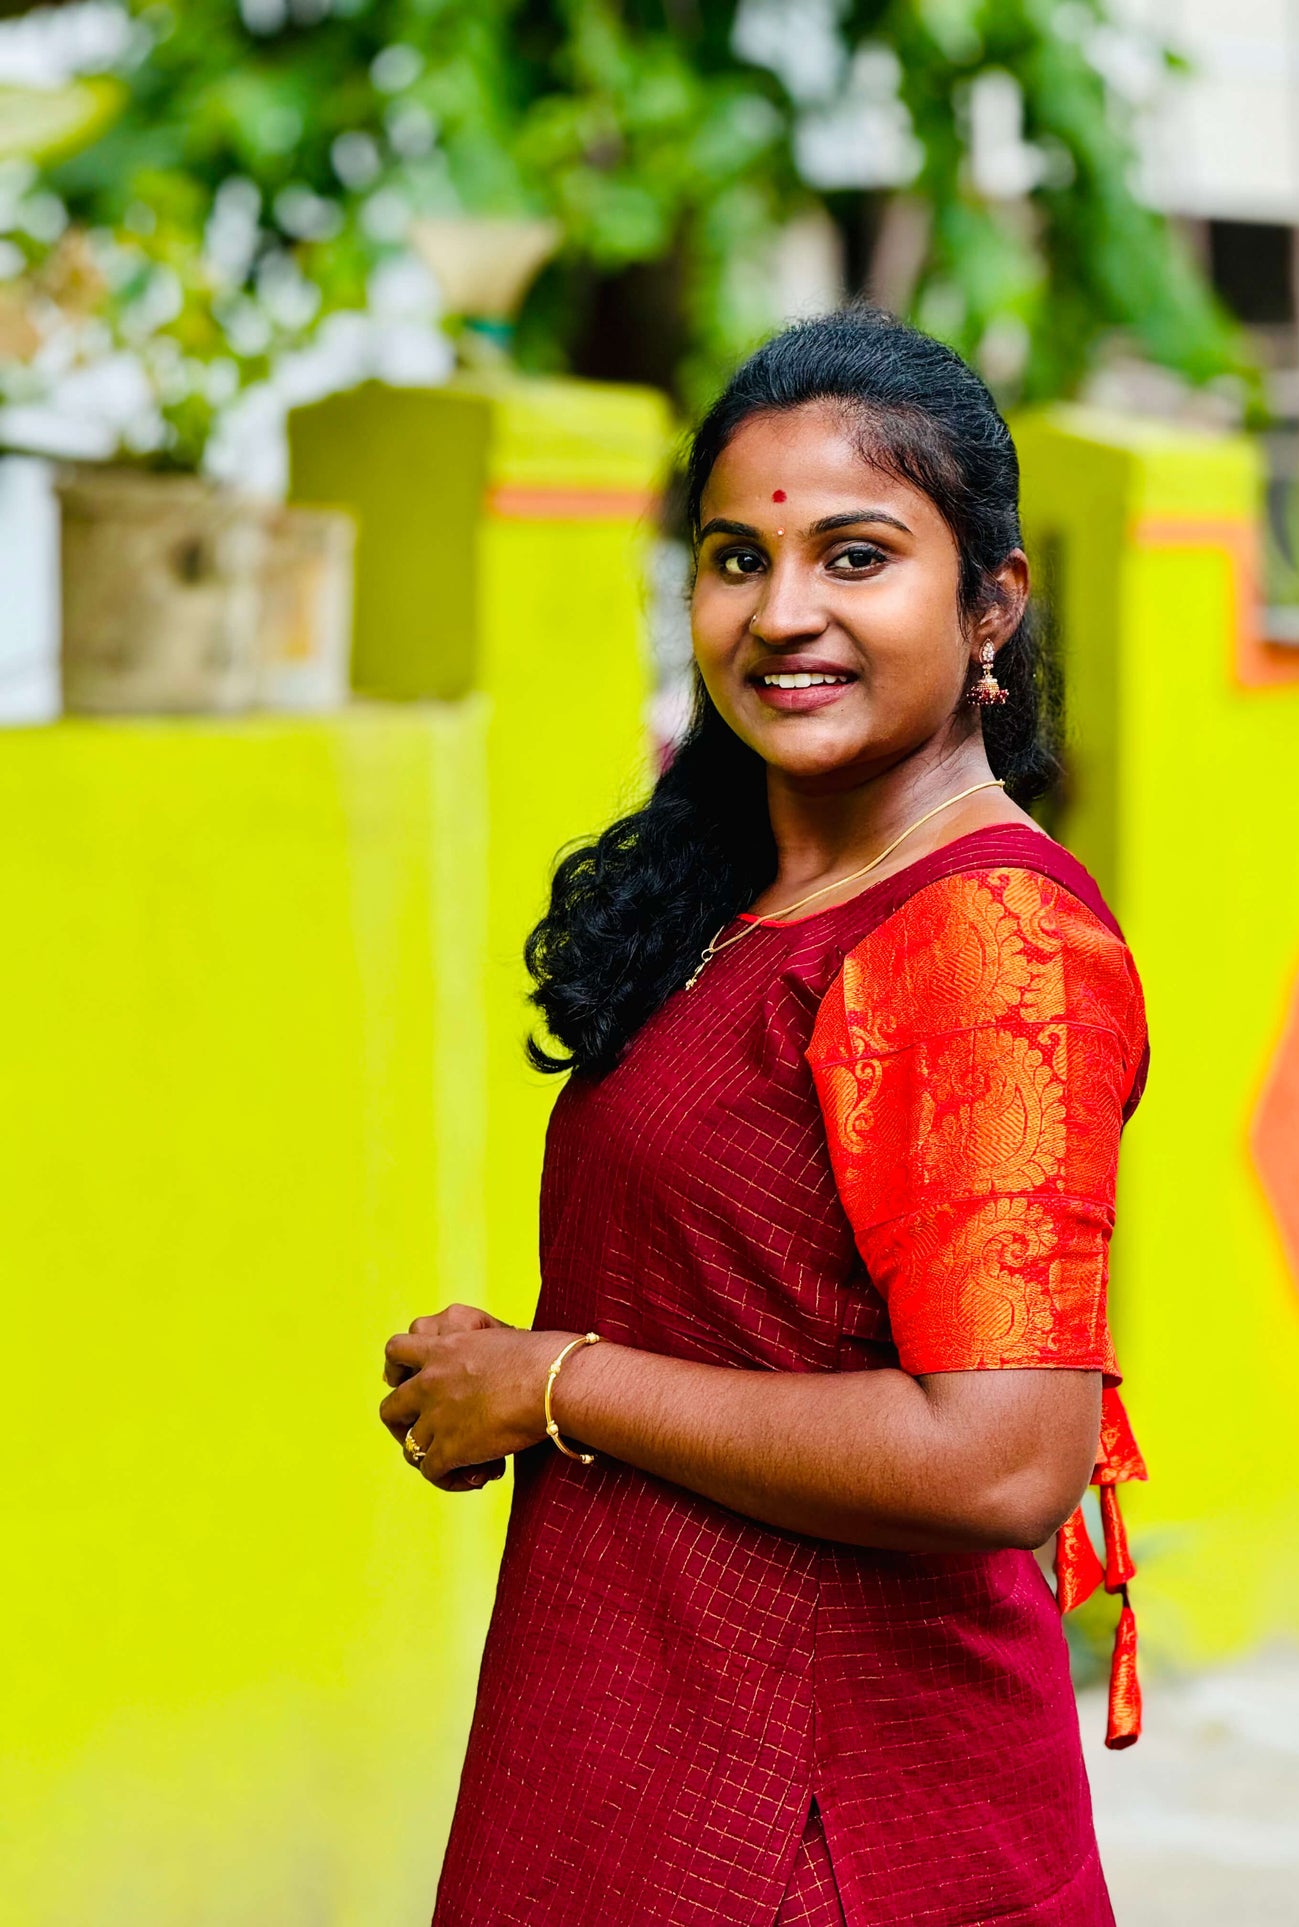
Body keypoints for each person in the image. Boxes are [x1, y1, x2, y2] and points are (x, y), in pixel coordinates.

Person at [380, 307, 1148, 1927]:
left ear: (990, 601)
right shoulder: (757, 899)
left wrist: (553, 1384)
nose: (782, 611)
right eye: (736, 560)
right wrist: (526, 1377)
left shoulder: (983, 936)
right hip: (645, 1747)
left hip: (831, 1822)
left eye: (856, 557)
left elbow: (1004, 1455)